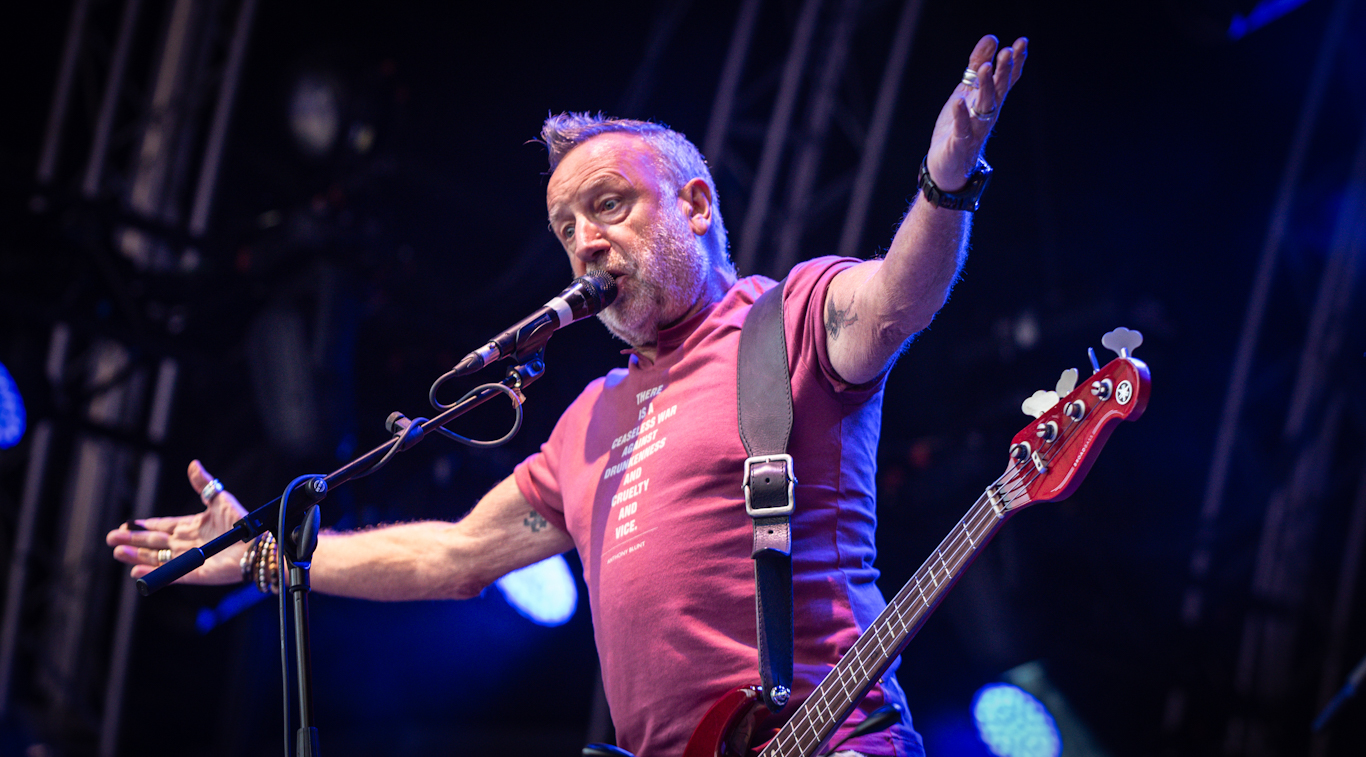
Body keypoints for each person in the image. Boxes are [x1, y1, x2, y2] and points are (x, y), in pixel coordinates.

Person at [108, 35, 1027, 757]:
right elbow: (455, 554)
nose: (584, 240)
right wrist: (272, 558)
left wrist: (947, 180)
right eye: (565, 225)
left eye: (610, 205)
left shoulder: (783, 319)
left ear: (697, 206)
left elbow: (900, 295)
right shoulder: (588, 418)